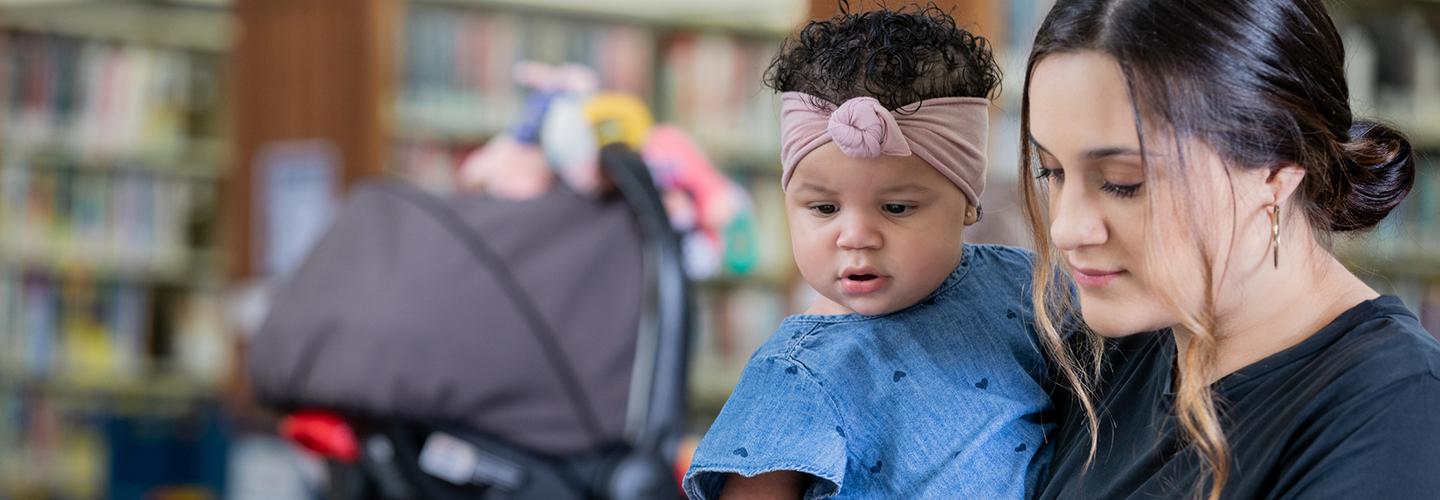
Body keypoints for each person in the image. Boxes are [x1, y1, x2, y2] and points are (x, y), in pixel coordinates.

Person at [1020, 0, 1440, 498]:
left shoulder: (1396, 411)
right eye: (1052, 172)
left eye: (1122, 182)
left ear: (1276, 171)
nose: (1066, 228)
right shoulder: (1105, 352)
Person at [683, 4, 1052, 498]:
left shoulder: (1027, 288)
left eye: (896, 207)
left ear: (968, 201)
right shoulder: (795, 377)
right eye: (824, 208)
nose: (855, 236)